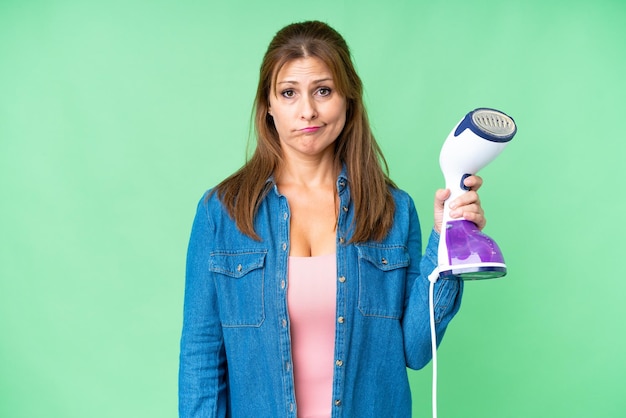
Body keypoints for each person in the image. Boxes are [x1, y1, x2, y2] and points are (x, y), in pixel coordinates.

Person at [178, 20, 486, 418]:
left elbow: (414, 350)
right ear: (267, 105)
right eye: (288, 93)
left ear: (348, 99)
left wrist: (446, 243)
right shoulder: (221, 212)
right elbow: (200, 363)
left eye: (323, 91)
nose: (307, 110)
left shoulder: (392, 209)